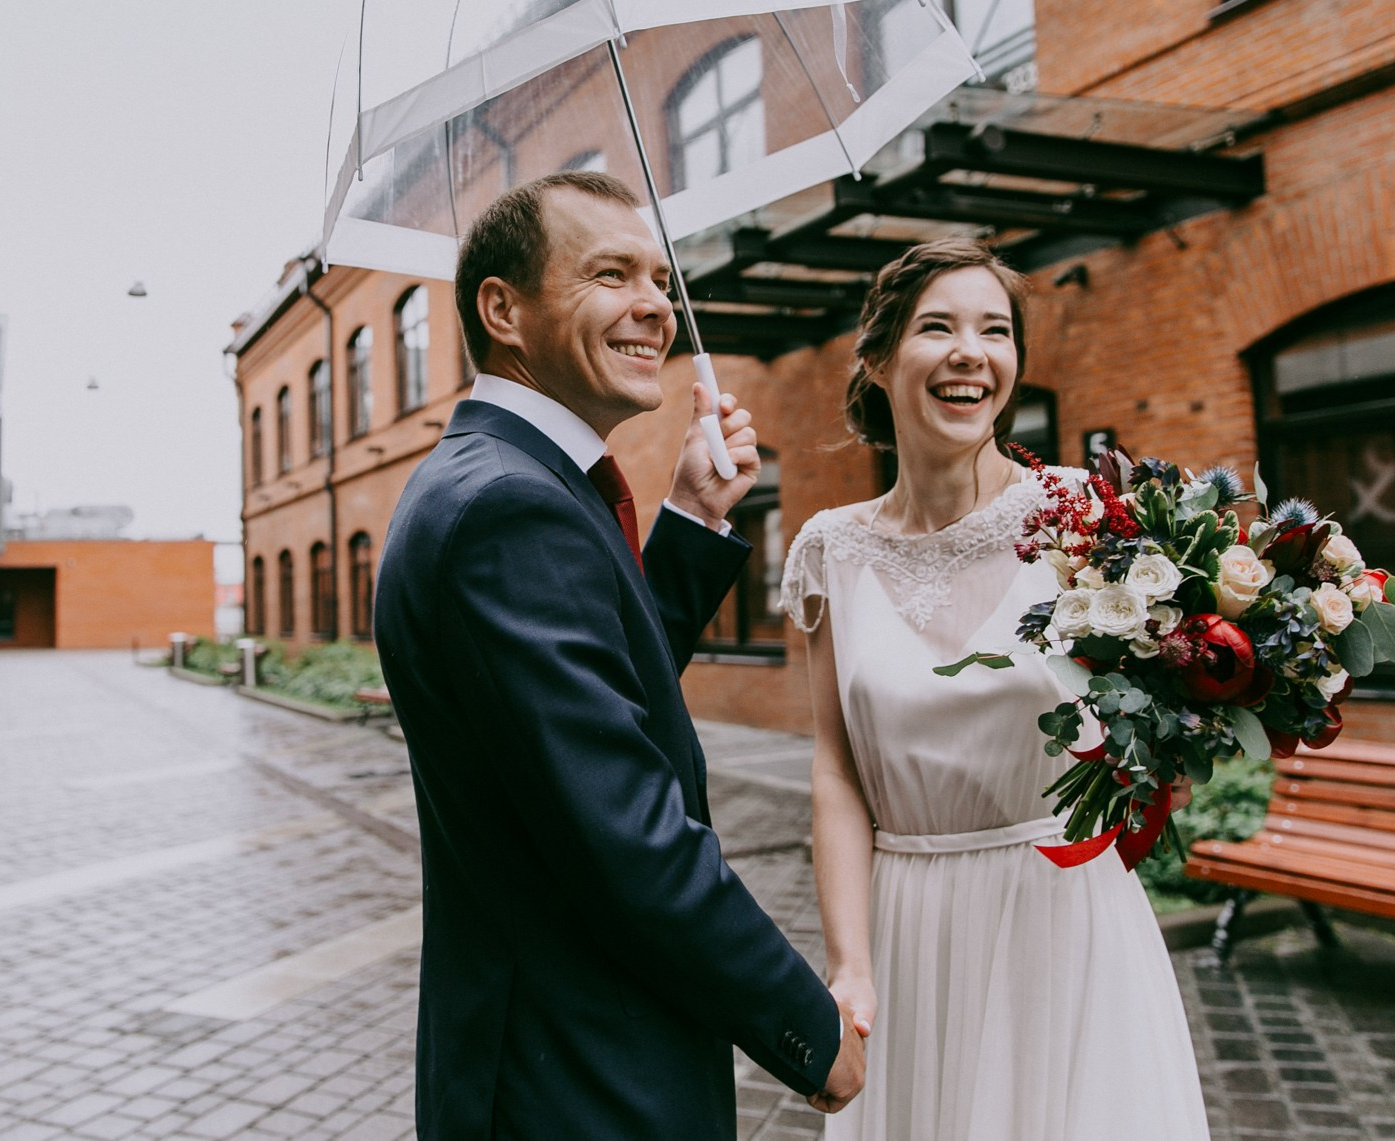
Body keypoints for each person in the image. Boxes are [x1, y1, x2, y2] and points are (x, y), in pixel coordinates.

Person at [374, 170, 867, 1140]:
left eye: (656, 278)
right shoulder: (506, 510)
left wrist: (689, 516)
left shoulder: (503, 483)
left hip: (556, 1054)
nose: (653, 306)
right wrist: (805, 1028)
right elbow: (627, 832)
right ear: (502, 309)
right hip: (577, 1076)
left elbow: (594, 694)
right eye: (610, 274)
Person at [783, 238, 1210, 1141]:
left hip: (1059, 914)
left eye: (996, 329)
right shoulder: (830, 549)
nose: (971, 351)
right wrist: (851, 963)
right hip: (907, 930)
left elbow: (1158, 706)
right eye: (938, 326)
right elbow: (836, 769)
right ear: (878, 360)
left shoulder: (1081, 520)